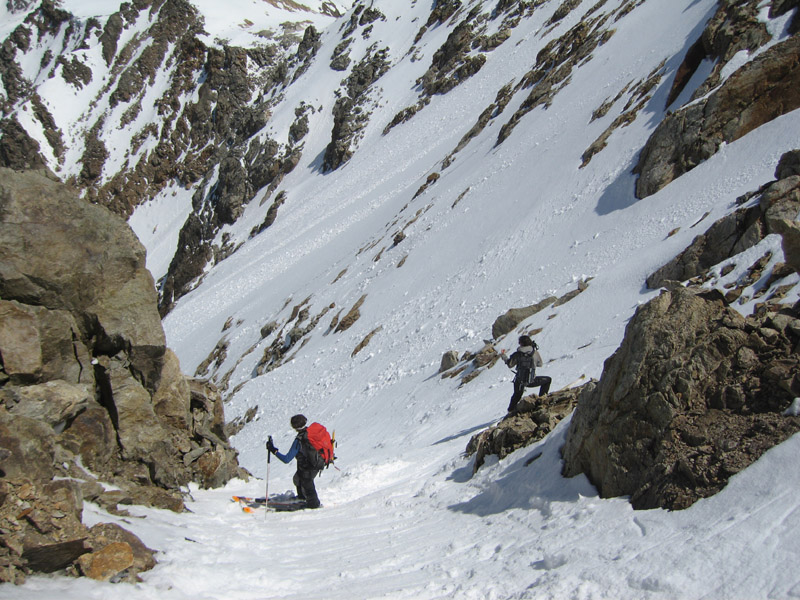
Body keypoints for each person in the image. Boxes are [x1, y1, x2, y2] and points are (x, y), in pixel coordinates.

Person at [266, 414, 322, 509]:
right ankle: (302, 497)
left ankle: (314, 505)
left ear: (294, 427)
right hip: (316, 463)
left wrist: (273, 450)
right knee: (297, 479)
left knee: (307, 483)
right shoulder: (311, 433)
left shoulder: (300, 440)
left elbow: (286, 459)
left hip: (308, 467)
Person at [503, 335, 551, 413]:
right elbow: (540, 364)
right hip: (531, 380)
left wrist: (503, 356)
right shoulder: (534, 352)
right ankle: (541, 400)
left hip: (519, 380)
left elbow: (510, 364)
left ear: (521, 343)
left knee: (517, 395)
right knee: (548, 380)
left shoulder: (517, 354)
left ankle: (510, 410)